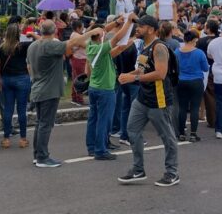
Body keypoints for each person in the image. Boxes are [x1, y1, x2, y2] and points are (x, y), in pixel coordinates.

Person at [117, 15, 180, 187]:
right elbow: (142, 69)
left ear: (151, 29)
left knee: (168, 137)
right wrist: (128, 75)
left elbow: (160, 73)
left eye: (141, 26)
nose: (137, 28)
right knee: (132, 131)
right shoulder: (145, 46)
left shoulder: (159, 47)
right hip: (143, 98)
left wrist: (133, 80)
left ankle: (172, 173)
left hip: (159, 100)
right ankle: (138, 170)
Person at [83, 15, 132, 160]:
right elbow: (116, 40)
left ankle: (92, 147)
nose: (105, 33)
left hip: (94, 87)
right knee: (104, 120)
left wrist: (131, 38)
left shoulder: (91, 46)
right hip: (105, 89)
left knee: (93, 118)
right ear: (99, 36)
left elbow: (118, 49)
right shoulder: (101, 47)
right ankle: (100, 150)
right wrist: (128, 23)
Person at [27, 20, 76, 168]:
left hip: (38, 88)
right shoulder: (50, 45)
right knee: (45, 124)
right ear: (54, 31)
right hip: (49, 90)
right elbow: (71, 43)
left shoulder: (33, 46)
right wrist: (91, 33)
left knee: (40, 123)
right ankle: (42, 157)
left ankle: (38, 155)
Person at [0, 23, 33, 149]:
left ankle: (6, 139)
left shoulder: (1, 48)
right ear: (18, 35)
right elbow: (41, 40)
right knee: (22, 110)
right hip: (22, 78)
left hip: (7, 79)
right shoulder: (23, 46)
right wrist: (31, 34)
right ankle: (23, 139)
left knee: (8, 109)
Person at [174, 29, 209, 142]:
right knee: (194, 108)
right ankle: (193, 134)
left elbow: (174, 67)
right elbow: (205, 68)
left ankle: (181, 133)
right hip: (196, 81)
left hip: (181, 81)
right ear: (195, 40)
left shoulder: (177, 52)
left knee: (182, 107)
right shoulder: (199, 53)